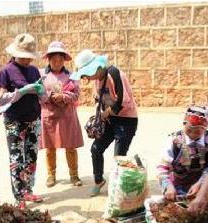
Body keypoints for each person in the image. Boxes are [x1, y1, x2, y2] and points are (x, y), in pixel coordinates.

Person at [70, 49, 138, 196]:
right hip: (109, 119)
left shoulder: (114, 73)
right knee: (96, 149)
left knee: (119, 155)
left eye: (87, 74)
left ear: (96, 67)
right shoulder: (97, 80)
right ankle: (98, 180)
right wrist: (98, 109)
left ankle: (118, 186)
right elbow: (97, 98)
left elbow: (123, 100)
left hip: (126, 120)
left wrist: (106, 112)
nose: (87, 78)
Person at [0, 33, 45, 209]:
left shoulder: (33, 71)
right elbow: (1, 100)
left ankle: (28, 190)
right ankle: (19, 197)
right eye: (24, 57)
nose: (27, 61)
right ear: (15, 53)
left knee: (31, 157)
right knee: (17, 158)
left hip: (33, 119)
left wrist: (40, 91)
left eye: (29, 58)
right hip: (14, 121)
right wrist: (22, 91)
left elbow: (43, 98)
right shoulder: (6, 72)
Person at [39, 41, 84, 188]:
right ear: (49, 60)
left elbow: (77, 94)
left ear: (64, 60)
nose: (57, 63)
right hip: (49, 116)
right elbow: (38, 93)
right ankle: (51, 175)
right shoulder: (42, 76)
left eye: (60, 60)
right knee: (50, 148)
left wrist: (64, 97)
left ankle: (74, 174)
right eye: (54, 60)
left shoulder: (71, 76)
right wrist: (51, 96)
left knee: (70, 147)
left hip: (67, 116)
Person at [157, 106, 208, 201]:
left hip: (203, 186)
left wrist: (201, 183)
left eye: (197, 132)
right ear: (184, 124)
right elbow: (162, 168)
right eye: (189, 130)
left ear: (205, 129)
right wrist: (168, 186)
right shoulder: (174, 140)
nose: (192, 135)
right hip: (176, 187)